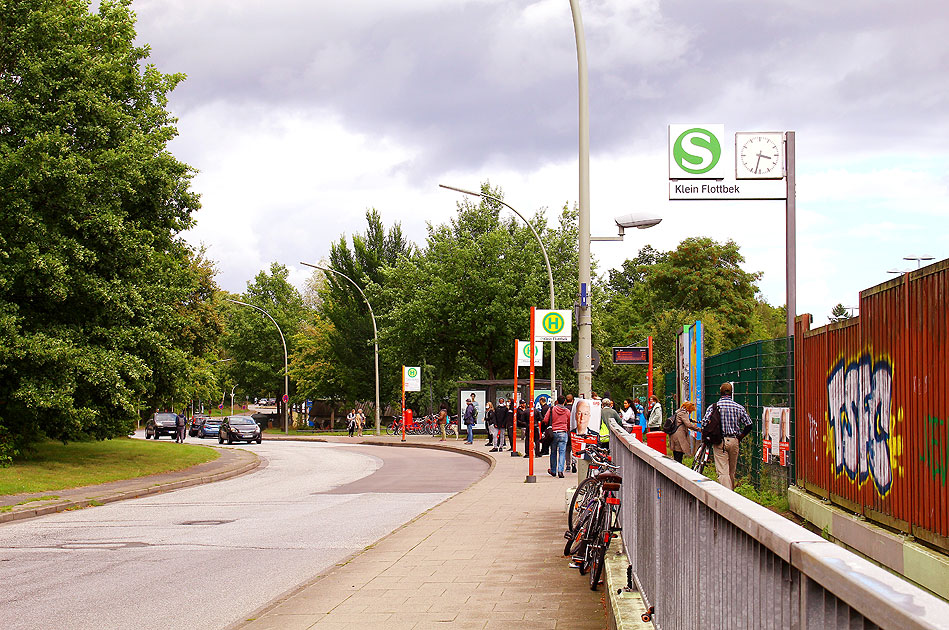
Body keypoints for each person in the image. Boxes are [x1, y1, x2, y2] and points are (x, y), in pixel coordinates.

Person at [703, 382, 753, 490]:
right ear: (731, 392)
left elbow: (704, 423)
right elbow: (749, 424)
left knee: (722, 471)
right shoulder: (739, 407)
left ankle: (727, 497)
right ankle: (732, 492)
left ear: (720, 392)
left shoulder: (713, 407)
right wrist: (740, 437)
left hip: (719, 441)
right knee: (731, 470)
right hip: (734, 440)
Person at [547, 395, 571, 478]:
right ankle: (560, 470)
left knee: (553, 452)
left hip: (553, 433)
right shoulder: (567, 411)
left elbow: (546, 419)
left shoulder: (552, 409)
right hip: (563, 433)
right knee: (562, 452)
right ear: (564, 401)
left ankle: (553, 470)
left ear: (557, 401)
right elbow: (569, 422)